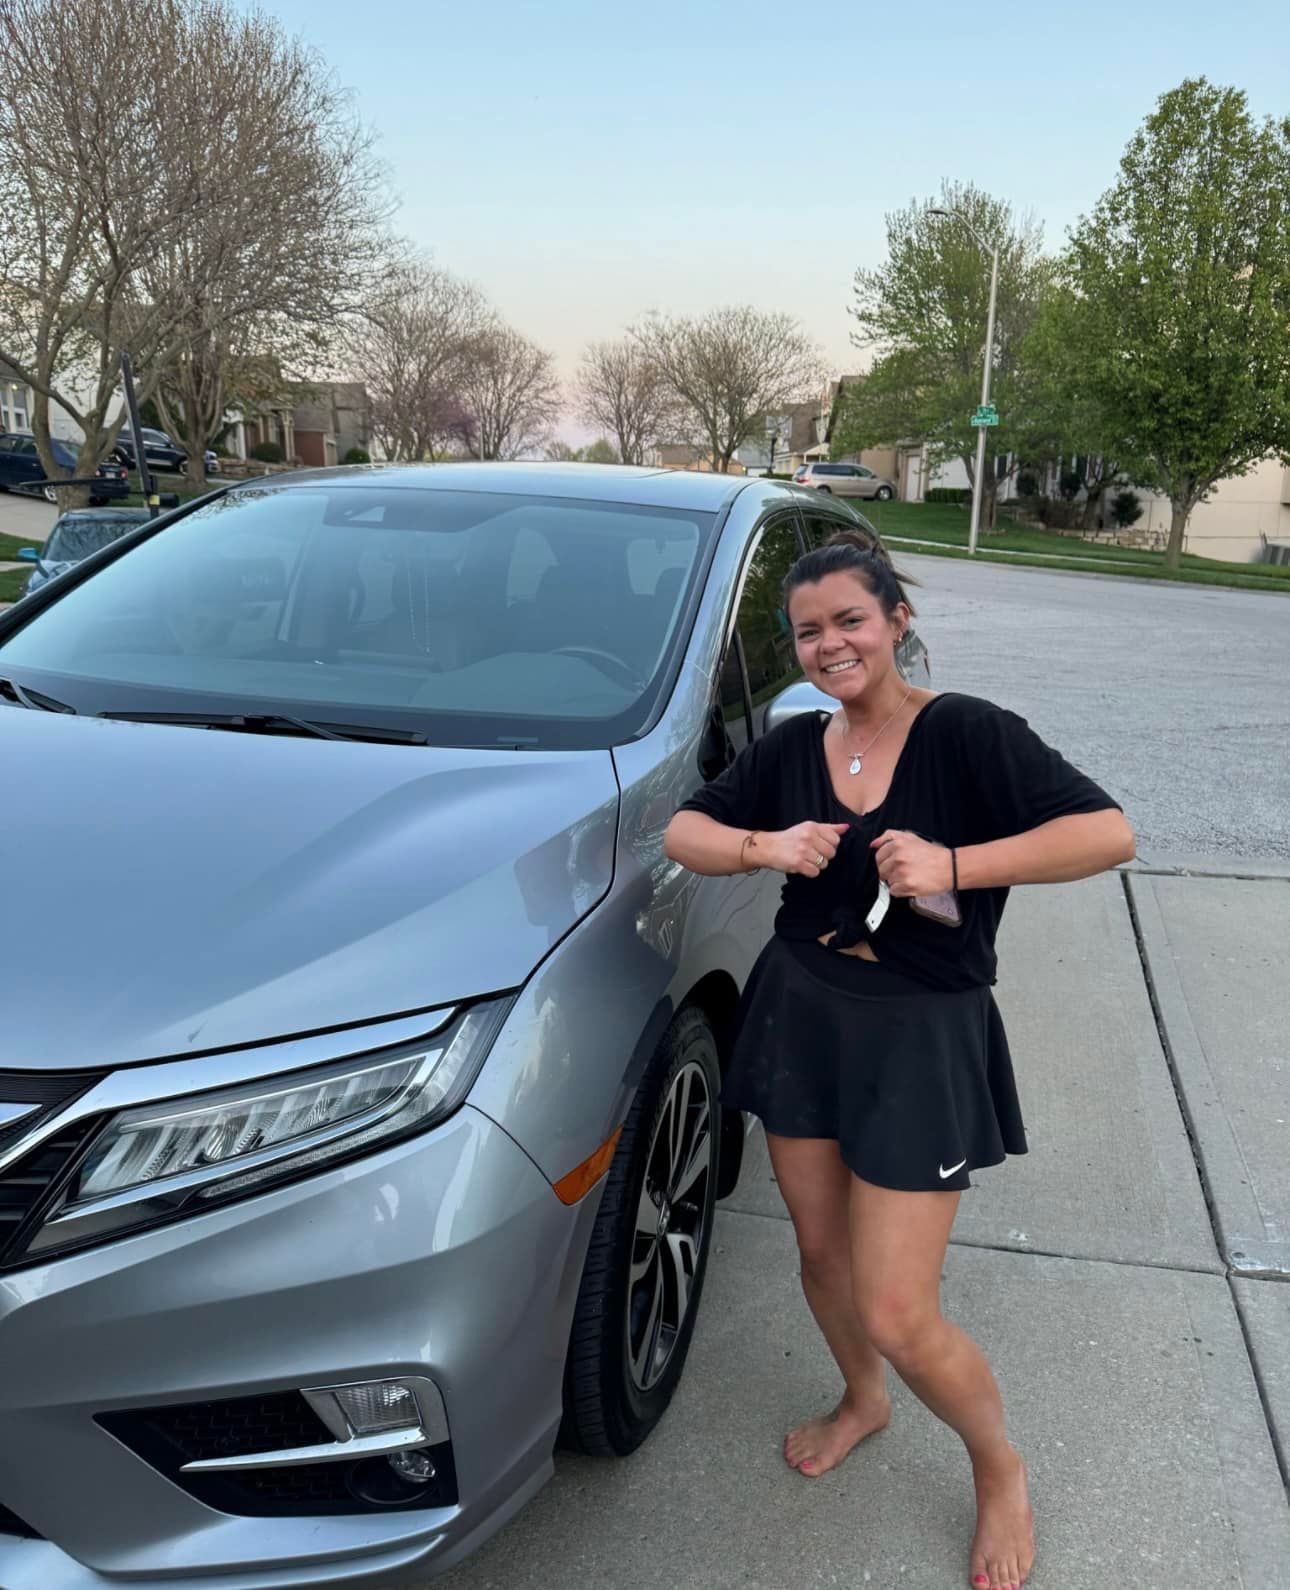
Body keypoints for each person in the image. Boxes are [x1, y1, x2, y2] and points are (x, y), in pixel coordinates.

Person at [663, 530, 1135, 1590]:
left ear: (895, 624)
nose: (831, 645)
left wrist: (957, 861)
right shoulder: (794, 747)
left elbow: (1107, 833)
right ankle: (863, 1400)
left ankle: (997, 1466)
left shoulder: (964, 733)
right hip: (804, 1010)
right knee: (822, 1259)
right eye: (809, 632)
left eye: (850, 621)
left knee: (897, 1306)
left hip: (920, 1030)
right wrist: (765, 847)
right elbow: (686, 832)